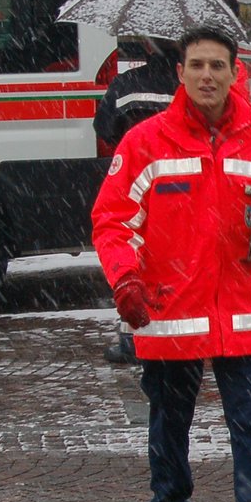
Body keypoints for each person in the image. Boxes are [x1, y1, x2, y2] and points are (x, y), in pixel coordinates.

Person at [91, 24, 251, 502]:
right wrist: (126, 282)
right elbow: (112, 221)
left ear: (234, 71)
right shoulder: (145, 143)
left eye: (217, 65)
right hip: (169, 316)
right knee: (170, 426)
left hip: (242, 316)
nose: (207, 75)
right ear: (180, 73)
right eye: (197, 66)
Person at [95, 38, 183, 364]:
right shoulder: (190, 87)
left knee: (134, 256)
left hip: (135, 183)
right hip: (181, 184)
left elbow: (104, 126)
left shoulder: (126, 84)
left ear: (148, 47)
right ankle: (178, 330)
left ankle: (132, 335)